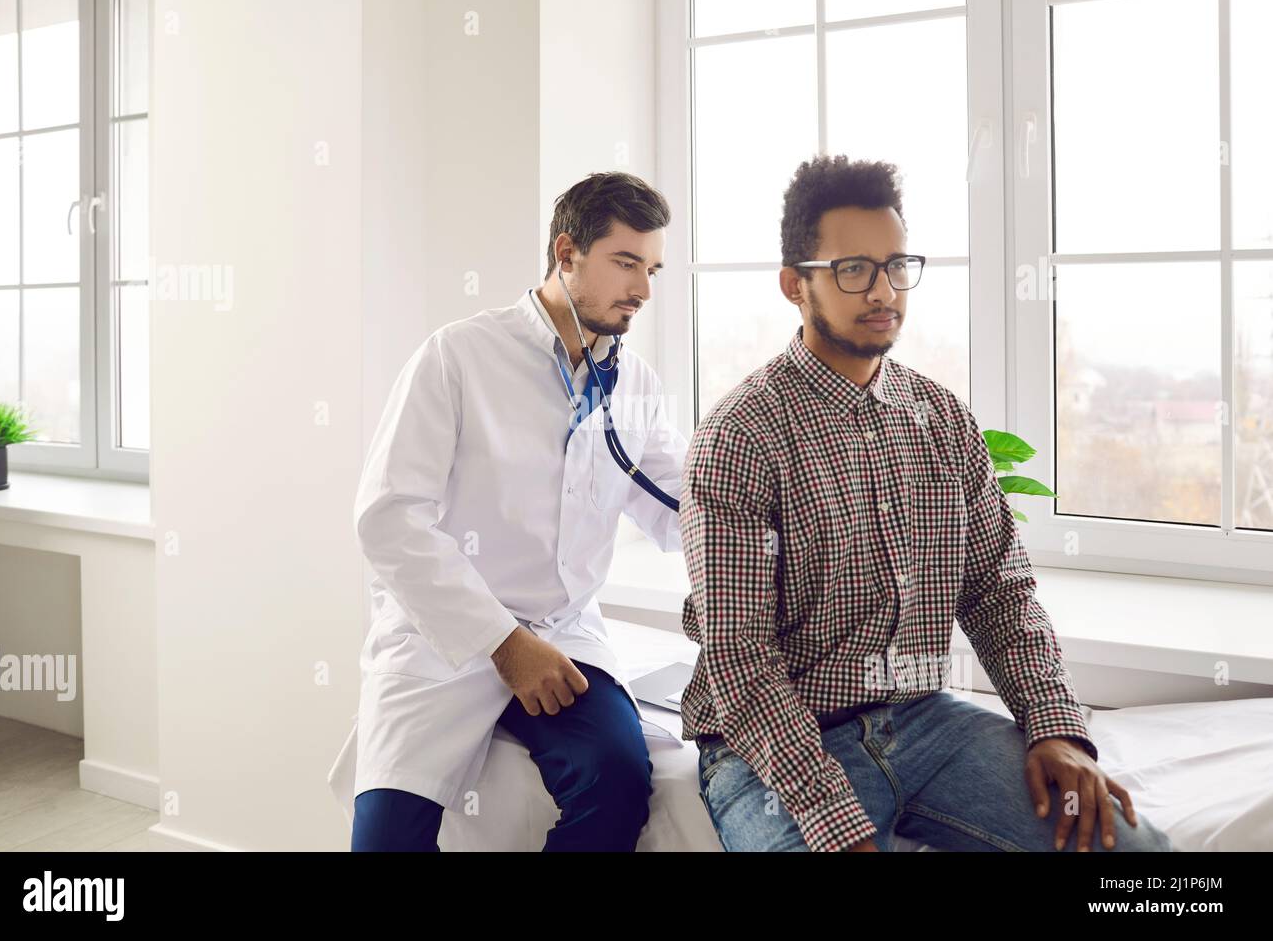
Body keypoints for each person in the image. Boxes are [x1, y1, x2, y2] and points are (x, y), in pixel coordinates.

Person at [678, 154, 1175, 853]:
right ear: (796, 284)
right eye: (853, 269)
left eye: (896, 265)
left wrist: (1054, 726)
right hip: (775, 745)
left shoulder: (942, 418)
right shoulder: (740, 435)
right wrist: (832, 821)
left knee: (1139, 853)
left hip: (925, 722)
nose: (884, 291)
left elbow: (1000, 592)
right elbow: (741, 660)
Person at [342, 172, 687, 851]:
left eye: (652, 269)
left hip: (564, 637)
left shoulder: (634, 384)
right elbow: (387, 517)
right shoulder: (457, 356)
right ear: (567, 252)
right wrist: (503, 641)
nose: (643, 290)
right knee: (384, 842)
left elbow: (688, 508)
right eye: (626, 263)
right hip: (444, 642)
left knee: (616, 781)